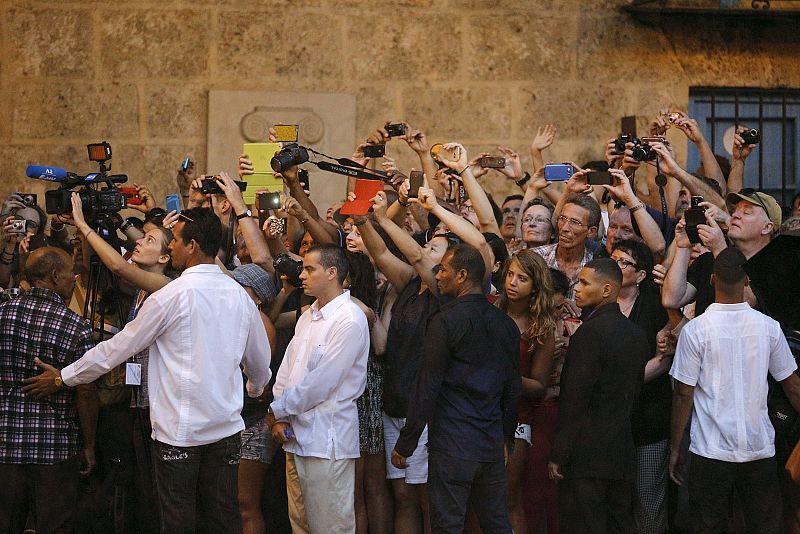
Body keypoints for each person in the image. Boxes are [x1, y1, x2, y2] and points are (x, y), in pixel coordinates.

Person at [23, 207, 272, 534]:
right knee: (222, 519)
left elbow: (116, 349)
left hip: (178, 435)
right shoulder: (239, 297)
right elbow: (259, 362)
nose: (171, 248)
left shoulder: (171, 296)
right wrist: (254, 387)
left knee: (177, 520)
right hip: (225, 431)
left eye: (177, 242)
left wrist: (63, 376)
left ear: (193, 245)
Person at [668, 247, 800, 534]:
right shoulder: (769, 328)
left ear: (713, 280)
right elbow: (792, 386)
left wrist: (676, 448)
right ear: (747, 281)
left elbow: (683, 394)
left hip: (709, 450)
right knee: (763, 526)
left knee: (706, 525)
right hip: (759, 448)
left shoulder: (696, 330)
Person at [392, 243, 522, 534]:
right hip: (489, 445)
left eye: (444, 270)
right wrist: (505, 439)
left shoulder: (444, 322)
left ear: (462, 275)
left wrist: (406, 442)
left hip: (452, 445)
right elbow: (512, 389)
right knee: (496, 524)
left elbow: (427, 387)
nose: (437, 275)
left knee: (448, 526)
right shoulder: (506, 325)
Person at [268, 243, 370, 534]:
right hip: (296, 435)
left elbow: (322, 383)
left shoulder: (349, 319)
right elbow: (288, 370)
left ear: (332, 273)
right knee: (300, 524)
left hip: (327, 439)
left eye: (310, 269)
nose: (302, 275)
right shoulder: (310, 315)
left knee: (330, 527)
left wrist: (278, 410)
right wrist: (282, 415)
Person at [548, 258, 650, 534]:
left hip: (586, 454)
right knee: (619, 524)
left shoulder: (589, 334)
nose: (576, 289)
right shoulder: (637, 334)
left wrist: (559, 453)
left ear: (607, 290)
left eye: (583, 283)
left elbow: (575, 399)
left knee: (586, 525)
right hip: (622, 452)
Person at [1, 247, 97, 533]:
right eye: (71, 274)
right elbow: (87, 392)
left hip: (4, 447)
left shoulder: (2, 313)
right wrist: (89, 446)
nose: (74, 279)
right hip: (55, 449)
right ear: (55, 276)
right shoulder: (75, 326)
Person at [495, 249, 557, 534]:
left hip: (518, 420)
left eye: (522, 278)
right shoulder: (491, 310)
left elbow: (539, 386)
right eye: (510, 274)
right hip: (481, 415)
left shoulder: (541, 327)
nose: (512, 282)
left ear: (535, 286)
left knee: (509, 498)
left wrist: (503, 378)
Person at [532, 193, 600, 299]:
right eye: (562, 218)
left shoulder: (596, 271)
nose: (564, 228)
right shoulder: (535, 258)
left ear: (591, 232)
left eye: (574, 222)